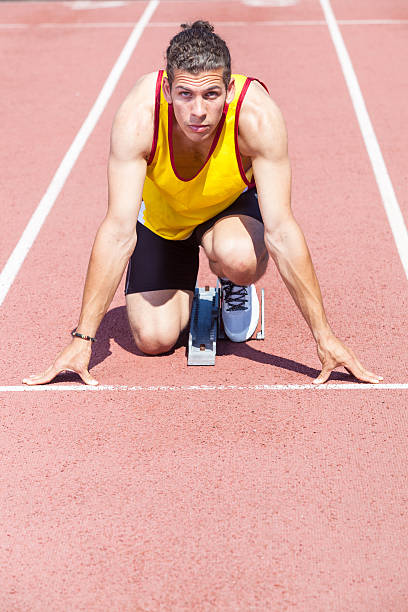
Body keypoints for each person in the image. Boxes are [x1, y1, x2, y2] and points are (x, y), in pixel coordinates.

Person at [23, 21, 382, 387]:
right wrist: (82, 339)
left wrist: (325, 337)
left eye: (210, 94)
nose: (198, 111)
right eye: (185, 95)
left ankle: (233, 283)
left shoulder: (256, 117)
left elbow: (282, 232)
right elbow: (117, 230)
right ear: (166, 89)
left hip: (229, 212)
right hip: (165, 221)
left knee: (237, 256)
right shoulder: (138, 118)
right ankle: (185, 290)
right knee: (153, 340)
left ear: (228, 89)